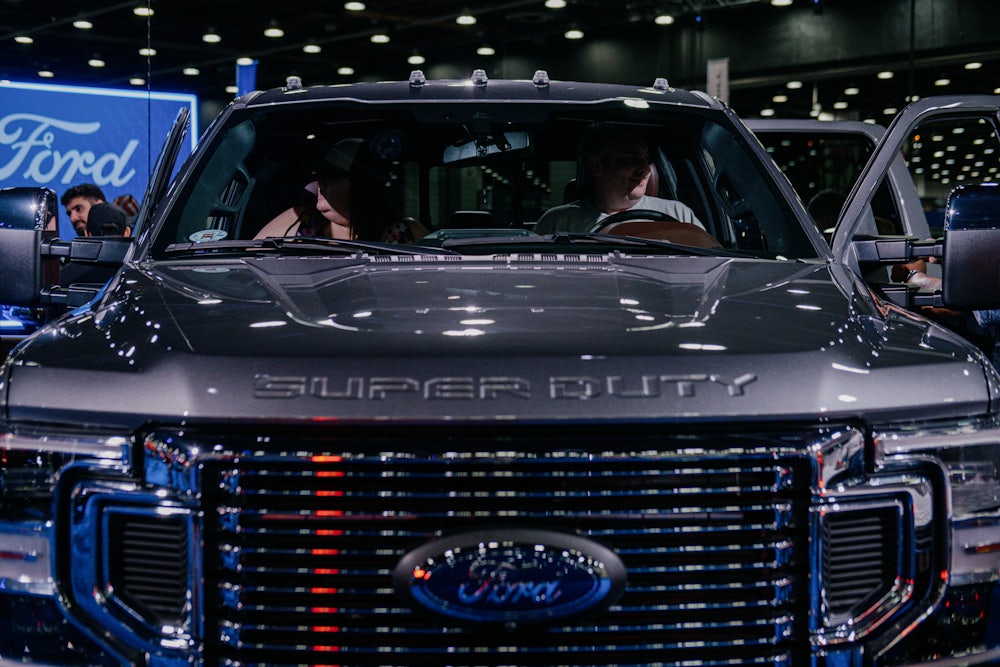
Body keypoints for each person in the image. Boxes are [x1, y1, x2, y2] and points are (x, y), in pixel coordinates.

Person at [534, 123, 704, 235]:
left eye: (646, 158)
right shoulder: (558, 222)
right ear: (598, 167)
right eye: (631, 158)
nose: (645, 168)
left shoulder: (677, 215)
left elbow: (709, 266)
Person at [254, 138, 426, 243]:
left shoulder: (407, 232)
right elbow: (247, 263)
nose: (320, 183)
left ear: (363, 186)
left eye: (333, 176)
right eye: (321, 174)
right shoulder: (298, 219)